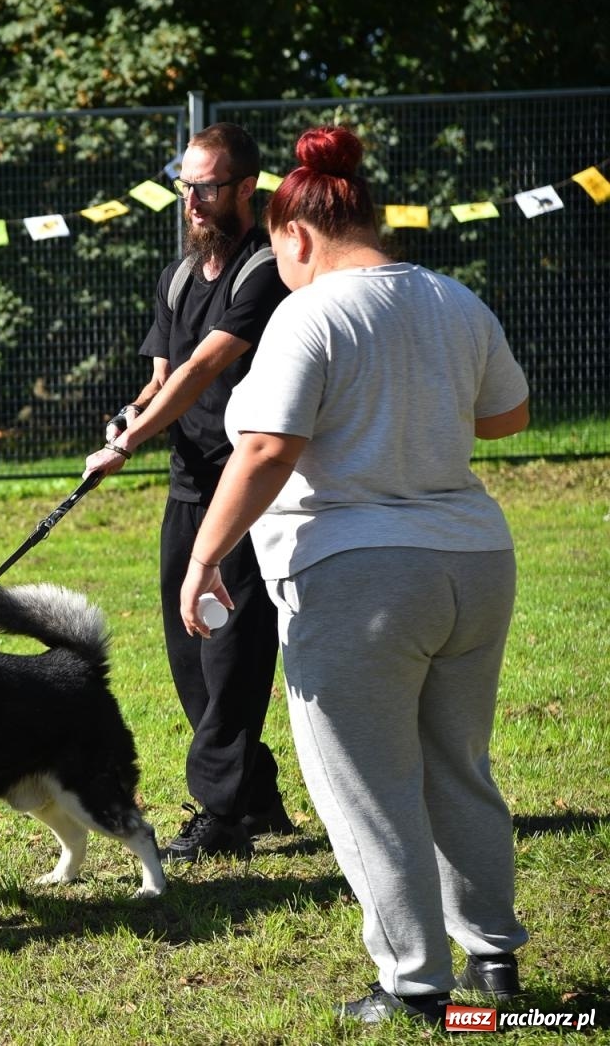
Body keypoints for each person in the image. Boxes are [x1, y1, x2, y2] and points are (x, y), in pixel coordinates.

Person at [178, 125, 530, 1026]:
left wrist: (205, 555)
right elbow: (508, 416)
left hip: (359, 576)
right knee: (459, 767)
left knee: (368, 790)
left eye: (280, 252)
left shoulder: (309, 314)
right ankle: (493, 961)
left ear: (296, 234)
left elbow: (264, 448)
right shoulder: (455, 299)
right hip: (474, 564)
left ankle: (414, 987)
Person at [84, 123, 295, 862]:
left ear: (245, 188)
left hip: (246, 484)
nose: (192, 202)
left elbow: (206, 366)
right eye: (185, 188)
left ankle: (222, 814)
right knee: (190, 652)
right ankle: (255, 794)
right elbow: (164, 377)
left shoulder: (265, 270)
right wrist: (128, 416)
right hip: (187, 484)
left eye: (205, 188)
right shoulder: (178, 277)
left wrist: (127, 445)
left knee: (231, 652)